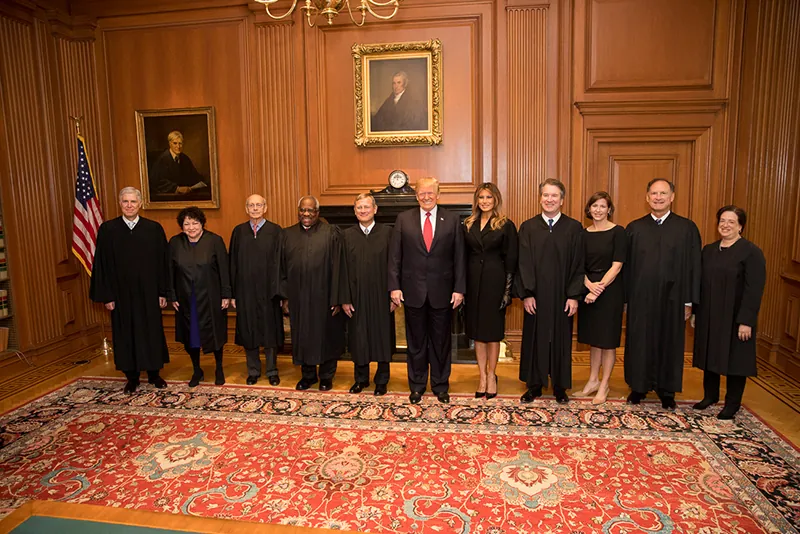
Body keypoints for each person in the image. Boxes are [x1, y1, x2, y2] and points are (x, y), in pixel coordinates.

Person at [624, 178, 701, 409]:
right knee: (640, 342)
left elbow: (694, 266)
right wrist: (625, 299)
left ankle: (667, 391)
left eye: (663, 193)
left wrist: (689, 301)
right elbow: (626, 267)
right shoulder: (634, 228)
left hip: (674, 298)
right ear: (647, 197)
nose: (658, 197)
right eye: (654, 193)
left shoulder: (687, 228)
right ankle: (638, 387)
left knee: (670, 343)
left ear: (672, 197)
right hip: (641, 298)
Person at [389, 177, 466, 404]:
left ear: (438, 194)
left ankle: (441, 385)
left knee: (441, 343)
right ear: (416, 196)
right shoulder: (403, 219)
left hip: (443, 292)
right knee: (416, 343)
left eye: (430, 192)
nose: (426, 197)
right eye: (422, 193)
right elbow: (395, 256)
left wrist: (459, 289)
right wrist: (394, 286)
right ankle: (417, 385)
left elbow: (460, 257)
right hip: (412, 291)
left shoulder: (452, 220)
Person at [89, 187, 170, 394]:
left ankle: (154, 373)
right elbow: (102, 265)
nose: (129, 205)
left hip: (149, 293)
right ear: (120, 203)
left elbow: (163, 263)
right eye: (125, 201)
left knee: (151, 331)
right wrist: (107, 296)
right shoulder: (108, 230)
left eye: (133, 201)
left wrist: (163, 292)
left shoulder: (153, 229)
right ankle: (131, 377)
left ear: (140, 204)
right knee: (126, 334)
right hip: (121, 295)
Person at [692, 206, 766, 420]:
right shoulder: (709, 250)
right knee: (710, 354)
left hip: (736, 317)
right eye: (722, 221)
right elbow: (700, 284)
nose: (725, 225)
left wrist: (746, 321)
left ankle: (732, 404)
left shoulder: (751, 252)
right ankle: (710, 396)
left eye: (731, 222)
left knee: (736, 360)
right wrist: (696, 312)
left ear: (740, 226)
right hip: (710, 314)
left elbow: (754, 289)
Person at [516, 178, 584, 404]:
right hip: (536, 296)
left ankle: (560, 386)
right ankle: (534, 385)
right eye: (545, 195)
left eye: (554, 195)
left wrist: (574, 296)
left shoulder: (573, 228)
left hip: (563, 296)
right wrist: (527, 294)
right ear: (540, 198)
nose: (549, 199)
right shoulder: (528, 227)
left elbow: (578, 263)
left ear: (562, 200)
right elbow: (523, 262)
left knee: (561, 339)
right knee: (535, 338)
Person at [280, 196, 348, 391]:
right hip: (298, 297)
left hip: (325, 296)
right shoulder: (287, 235)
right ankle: (308, 376)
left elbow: (340, 268)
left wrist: (337, 298)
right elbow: (281, 268)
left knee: (327, 336)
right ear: (298, 212)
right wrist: (285, 297)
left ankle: (326, 376)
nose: (306, 214)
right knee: (303, 336)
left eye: (310, 210)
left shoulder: (331, 233)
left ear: (317, 213)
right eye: (303, 210)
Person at [463, 183, 517, 400]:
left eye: (489, 197)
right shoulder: (468, 224)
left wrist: (507, 292)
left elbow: (511, 260)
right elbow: (462, 256)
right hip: (473, 283)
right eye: (481, 197)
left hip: (495, 282)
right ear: (476, 200)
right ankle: (482, 377)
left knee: (492, 334)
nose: (485, 201)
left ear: (496, 200)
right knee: (478, 334)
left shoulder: (505, 224)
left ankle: (492, 374)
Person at [167, 206, 231, 387]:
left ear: (202, 223)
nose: (191, 227)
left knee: (215, 334)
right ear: (182, 226)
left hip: (211, 297)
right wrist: (172, 295)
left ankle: (219, 368)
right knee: (190, 336)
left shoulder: (215, 241)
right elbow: (169, 270)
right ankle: (197, 370)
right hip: (186, 299)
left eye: (195, 223)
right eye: (187, 224)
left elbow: (224, 270)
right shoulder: (175, 243)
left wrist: (226, 294)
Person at [342, 193, 395, 396]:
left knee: (382, 337)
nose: (363, 211)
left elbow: (395, 265)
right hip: (356, 296)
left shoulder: (388, 233)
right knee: (359, 338)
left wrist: (394, 294)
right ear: (354, 211)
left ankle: (382, 380)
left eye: (366, 207)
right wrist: (344, 298)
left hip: (382, 295)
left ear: (375, 209)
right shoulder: (346, 236)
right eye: (359, 207)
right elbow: (341, 269)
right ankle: (360, 379)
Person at [576, 192, 626, 405]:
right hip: (588, 288)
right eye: (594, 206)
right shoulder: (582, 234)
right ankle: (592, 381)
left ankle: (604, 384)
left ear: (609, 209)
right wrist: (588, 285)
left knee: (607, 341)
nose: (598, 210)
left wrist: (598, 289)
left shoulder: (618, 232)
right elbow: (577, 264)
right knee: (594, 340)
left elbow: (617, 265)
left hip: (610, 291)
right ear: (589, 209)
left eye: (602, 206)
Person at [229, 195, 284, 386]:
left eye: (258, 205)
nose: (255, 208)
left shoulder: (275, 231)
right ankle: (253, 370)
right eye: (251, 205)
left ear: (265, 207)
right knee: (249, 331)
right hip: (245, 292)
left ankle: (272, 370)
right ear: (246, 208)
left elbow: (281, 263)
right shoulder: (239, 231)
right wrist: (233, 293)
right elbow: (232, 263)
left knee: (270, 332)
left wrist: (280, 292)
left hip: (269, 292)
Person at [149, 131, 208, 199]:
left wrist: (201, 181)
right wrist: (177, 188)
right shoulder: (162, 159)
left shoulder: (185, 158)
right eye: (175, 143)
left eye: (180, 143)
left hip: (184, 196)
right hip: (168, 197)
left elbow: (194, 176)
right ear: (170, 143)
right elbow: (157, 181)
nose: (178, 146)